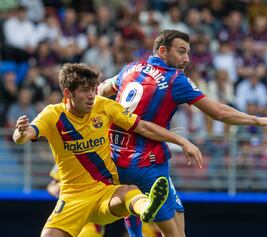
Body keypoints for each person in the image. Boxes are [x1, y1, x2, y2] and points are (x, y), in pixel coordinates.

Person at [98, 29, 267, 237]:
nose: (186, 59)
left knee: (137, 201)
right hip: (147, 164)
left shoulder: (130, 67)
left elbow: (102, 90)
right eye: (181, 52)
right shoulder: (175, 79)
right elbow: (219, 112)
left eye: (188, 53)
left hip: (114, 157)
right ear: (163, 51)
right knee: (176, 233)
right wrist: (255, 119)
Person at [13, 63, 203, 237]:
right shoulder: (52, 114)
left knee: (130, 191)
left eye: (94, 90)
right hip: (73, 198)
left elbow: (143, 127)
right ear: (67, 93)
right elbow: (24, 136)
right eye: (85, 91)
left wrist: (180, 140)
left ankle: (147, 208)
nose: (91, 96)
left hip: (106, 191)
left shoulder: (105, 106)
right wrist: (21, 132)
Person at [47, 165, 105, 237]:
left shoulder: (96, 159)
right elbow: (51, 187)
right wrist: (65, 185)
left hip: (88, 223)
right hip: (65, 217)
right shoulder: (64, 158)